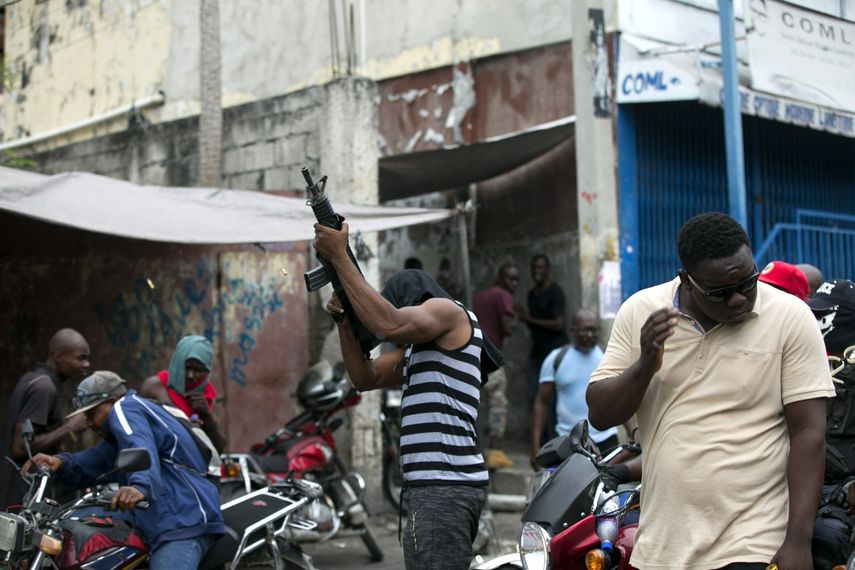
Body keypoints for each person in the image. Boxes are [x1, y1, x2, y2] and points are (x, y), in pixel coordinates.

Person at [586, 211, 834, 569]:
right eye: (720, 292)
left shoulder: (790, 317)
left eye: (747, 282)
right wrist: (645, 363)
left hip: (754, 542)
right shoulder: (641, 311)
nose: (738, 300)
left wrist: (798, 541)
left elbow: (809, 434)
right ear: (686, 280)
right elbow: (601, 413)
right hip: (661, 547)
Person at [313, 221, 503, 570]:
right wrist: (344, 323)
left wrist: (340, 256)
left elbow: (388, 324)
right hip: (429, 488)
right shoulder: (420, 353)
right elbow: (364, 377)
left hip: (443, 487)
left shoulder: (451, 314)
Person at [24, 371, 224, 569]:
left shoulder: (126, 407)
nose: (90, 423)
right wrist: (60, 462)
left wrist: (139, 486)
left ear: (111, 401)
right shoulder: (122, 433)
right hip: (155, 521)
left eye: (91, 414)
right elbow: (100, 460)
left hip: (183, 522)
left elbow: (139, 444)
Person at [530, 309, 636, 469]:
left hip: (606, 441)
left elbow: (620, 398)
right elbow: (542, 403)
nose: (589, 335)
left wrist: (633, 432)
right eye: (584, 330)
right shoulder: (556, 359)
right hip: (569, 441)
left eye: (593, 330)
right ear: (573, 330)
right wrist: (535, 445)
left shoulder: (607, 358)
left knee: (607, 490)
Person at [0, 328, 91, 511]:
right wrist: (68, 428)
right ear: (58, 356)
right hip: (19, 489)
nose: (86, 364)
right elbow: (19, 448)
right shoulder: (44, 388)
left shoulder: (34, 378)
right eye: (80, 358)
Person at [807, 279, 855, 567]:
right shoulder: (802, 360)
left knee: (827, 534)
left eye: (821, 315)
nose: (813, 321)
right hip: (793, 484)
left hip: (840, 498)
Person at [139, 335, 226, 452]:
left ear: (207, 371)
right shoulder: (154, 387)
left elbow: (219, 448)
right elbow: (138, 428)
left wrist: (207, 415)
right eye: (186, 367)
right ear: (177, 363)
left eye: (198, 370)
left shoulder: (206, 396)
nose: (191, 375)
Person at [473, 261, 520, 470]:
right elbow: (507, 328)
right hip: (491, 357)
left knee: (478, 403)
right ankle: (495, 451)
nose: (514, 283)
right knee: (498, 402)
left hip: (474, 353)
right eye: (511, 278)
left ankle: (477, 449)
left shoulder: (480, 296)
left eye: (517, 279)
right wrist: (518, 316)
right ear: (500, 278)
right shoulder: (503, 296)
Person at [520, 254, 568, 407]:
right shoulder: (532, 294)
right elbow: (533, 325)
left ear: (548, 269)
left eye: (540, 267)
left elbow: (559, 323)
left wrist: (530, 319)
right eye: (534, 268)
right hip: (538, 353)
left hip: (554, 352)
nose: (536, 271)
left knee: (555, 398)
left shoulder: (555, 292)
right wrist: (524, 317)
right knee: (536, 397)